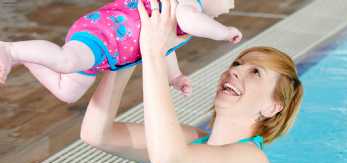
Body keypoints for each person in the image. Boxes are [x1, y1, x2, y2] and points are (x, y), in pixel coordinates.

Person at [80, 0, 303, 163]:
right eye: (237, 64)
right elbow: (97, 134)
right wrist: (133, 43)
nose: (234, 71)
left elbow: (167, 158)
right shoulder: (189, 140)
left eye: (256, 73)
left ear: (272, 107)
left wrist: (153, 53)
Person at [0, 0, 241, 103]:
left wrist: (175, 77)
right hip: (103, 35)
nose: (230, 7)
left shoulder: (180, 17)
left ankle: (28, 56)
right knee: (66, 61)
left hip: (107, 53)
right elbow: (192, 21)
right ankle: (9, 49)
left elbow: (166, 47)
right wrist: (222, 32)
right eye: (229, 1)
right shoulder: (186, 6)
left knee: (67, 93)